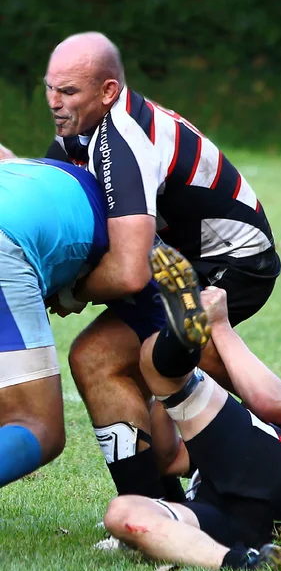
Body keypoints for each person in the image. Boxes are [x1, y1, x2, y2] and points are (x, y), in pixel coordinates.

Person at [41, 31, 281, 499]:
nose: (54, 101)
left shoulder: (122, 139)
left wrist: (69, 291)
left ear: (108, 91)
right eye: (49, 87)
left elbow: (129, 272)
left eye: (68, 91)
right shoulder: (85, 127)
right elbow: (53, 193)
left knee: (166, 360)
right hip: (176, 261)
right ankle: (156, 506)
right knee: (96, 358)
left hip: (231, 264)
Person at [103, 244, 281, 571]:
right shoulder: (245, 430)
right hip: (252, 526)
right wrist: (166, 396)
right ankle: (244, 562)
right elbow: (170, 459)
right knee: (123, 514)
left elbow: (271, 400)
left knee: (153, 356)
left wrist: (220, 326)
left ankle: (180, 330)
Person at [0, 157, 165, 488]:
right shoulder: (131, 233)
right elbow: (136, 282)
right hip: (8, 239)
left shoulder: (43, 169)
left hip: (17, 225)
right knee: (36, 425)